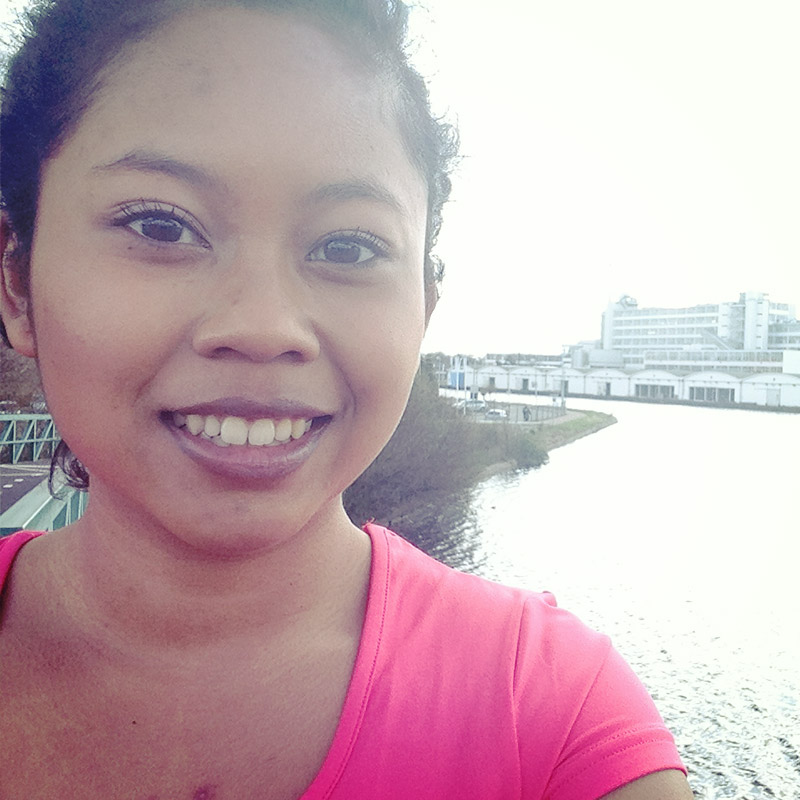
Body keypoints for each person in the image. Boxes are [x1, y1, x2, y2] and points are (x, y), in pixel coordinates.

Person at [0, 1, 693, 797]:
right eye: (161, 226)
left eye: (348, 245)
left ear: (423, 310)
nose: (263, 327)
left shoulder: (551, 715)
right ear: (16, 280)